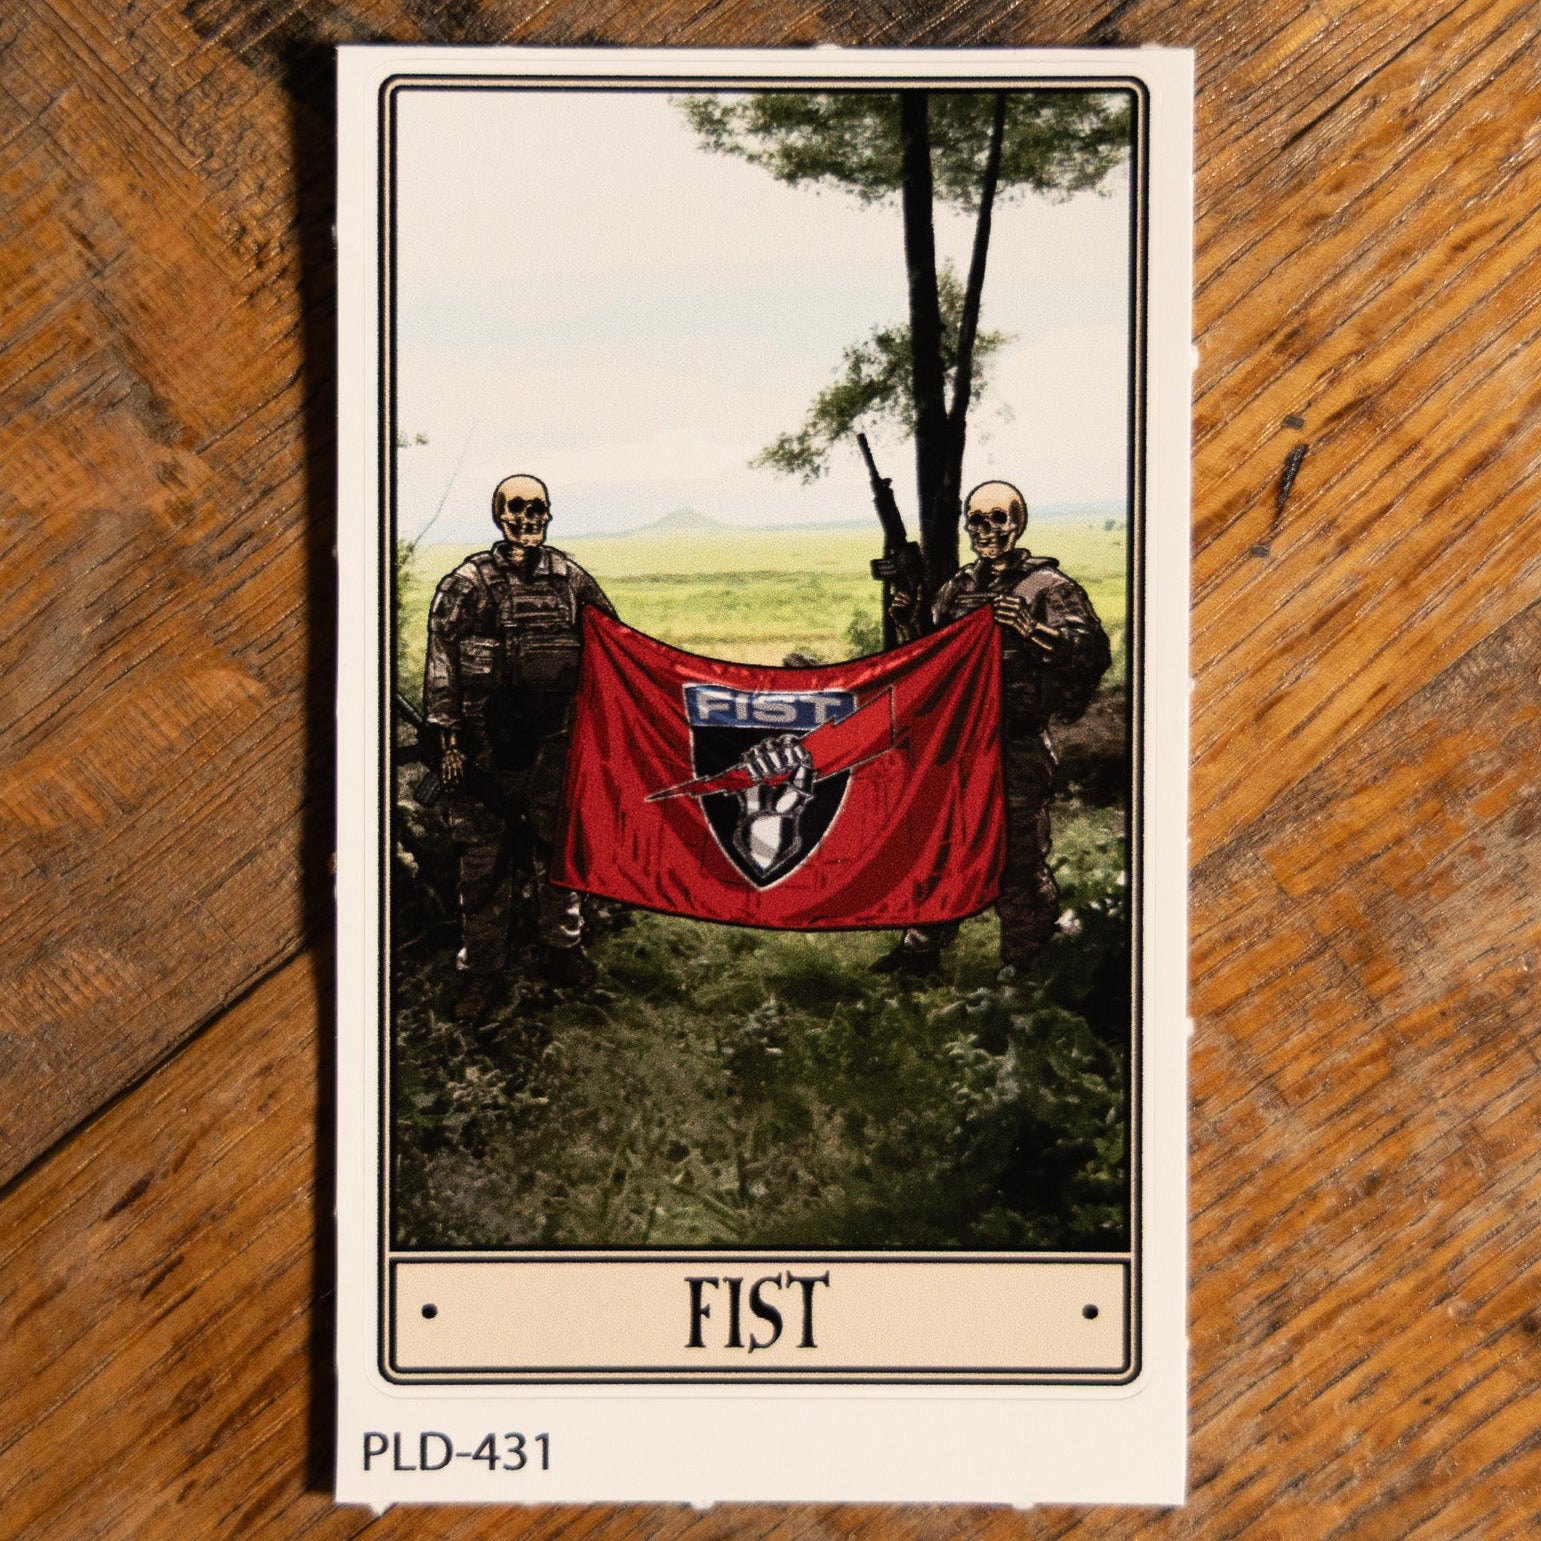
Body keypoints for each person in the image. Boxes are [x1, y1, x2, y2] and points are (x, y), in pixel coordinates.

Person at [873, 480, 1110, 977]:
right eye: (976, 520)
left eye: (998, 519)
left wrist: (1031, 629)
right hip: (959, 742)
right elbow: (937, 657)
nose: (986, 531)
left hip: (1015, 741)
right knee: (941, 842)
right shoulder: (957, 588)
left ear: (1017, 524)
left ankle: (1027, 961)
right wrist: (911, 620)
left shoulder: (1049, 588)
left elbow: (1090, 652)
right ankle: (921, 948)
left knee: (1018, 855)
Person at [422, 474, 616, 1018]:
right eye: (516, 509)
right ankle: (482, 971)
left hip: (555, 745)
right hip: (483, 748)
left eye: (537, 510)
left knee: (558, 852)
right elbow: (441, 663)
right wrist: (449, 741)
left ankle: (562, 950)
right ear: (499, 516)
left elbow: (613, 643)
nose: (528, 520)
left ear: (548, 515)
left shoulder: (571, 580)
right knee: (483, 864)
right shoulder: (466, 585)